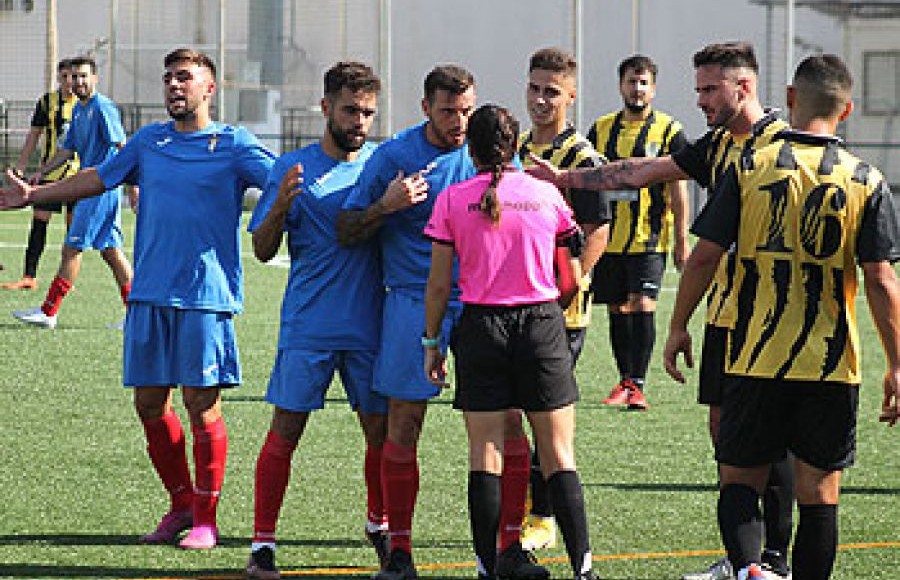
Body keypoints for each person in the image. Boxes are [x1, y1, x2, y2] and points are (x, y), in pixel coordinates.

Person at [528, 42, 794, 580]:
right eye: (697, 90)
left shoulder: (782, 146)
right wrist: (567, 181)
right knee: (726, 433)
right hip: (725, 315)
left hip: (775, 318)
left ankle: (773, 559)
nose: (699, 101)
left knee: (770, 438)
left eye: (709, 90)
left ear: (743, 86)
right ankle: (747, 559)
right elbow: (643, 171)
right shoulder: (718, 142)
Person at [0, 48, 275, 550]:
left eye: (185, 78)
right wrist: (36, 194)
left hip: (205, 297)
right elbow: (99, 176)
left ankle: (207, 520)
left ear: (209, 88)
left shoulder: (233, 144)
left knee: (201, 406)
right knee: (150, 403)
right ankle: (181, 504)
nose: (174, 85)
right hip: (149, 293)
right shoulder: (149, 141)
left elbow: (280, 181)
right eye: (168, 77)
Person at [663, 53, 900, 580]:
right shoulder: (866, 178)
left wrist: (679, 325)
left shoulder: (751, 166)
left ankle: (750, 568)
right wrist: (896, 363)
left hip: (754, 355)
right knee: (820, 495)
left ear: (790, 98)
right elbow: (882, 278)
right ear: (849, 110)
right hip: (830, 364)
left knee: (739, 481)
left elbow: (704, 255)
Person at [338, 66, 545, 580]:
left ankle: (509, 548)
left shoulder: (494, 153)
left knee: (508, 423)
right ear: (425, 107)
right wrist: (383, 207)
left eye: (467, 110)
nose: (459, 121)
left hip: (485, 303)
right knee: (403, 422)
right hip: (412, 301)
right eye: (449, 110)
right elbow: (346, 227)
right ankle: (400, 553)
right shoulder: (393, 156)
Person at [424, 103, 599, 580]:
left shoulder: (453, 199)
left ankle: (485, 567)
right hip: (542, 324)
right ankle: (584, 569)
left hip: (481, 328)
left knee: (485, 453)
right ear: (517, 145)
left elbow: (439, 285)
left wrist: (430, 342)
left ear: (471, 148)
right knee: (559, 453)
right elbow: (572, 277)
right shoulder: (547, 196)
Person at [244, 61, 387, 579]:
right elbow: (261, 250)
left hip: (370, 323)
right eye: (350, 110)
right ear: (326, 108)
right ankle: (262, 544)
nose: (360, 121)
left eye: (368, 113)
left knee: (381, 430)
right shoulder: (289, 168)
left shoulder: (381, 165)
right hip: (308, 322)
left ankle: (380, 524)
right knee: (286, 429)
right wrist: (279, 205)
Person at [516, 47, 610, 553]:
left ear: (571, 95)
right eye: (534, 87)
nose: (540, 99)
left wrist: (563, 288)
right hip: (516, 305)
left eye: (551, 91)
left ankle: (543, 514)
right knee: (513, 410)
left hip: (561, 313)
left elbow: (598, 233)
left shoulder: (583, 159)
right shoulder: (519, 149)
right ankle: (519, 511)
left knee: (544, 416)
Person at [585, 54, 690, 411]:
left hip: (650, 237)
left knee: (642, 303)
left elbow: (679, 188)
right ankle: (625, 380)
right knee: (617, 308)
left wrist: (681, 239)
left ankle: (639, 383)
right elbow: (588, 180)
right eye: (632, 81)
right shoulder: (600, 130)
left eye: (644, 82)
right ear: (621, 85)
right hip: (609, 239)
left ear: (654, 88)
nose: (637, 88)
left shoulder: (669, 130)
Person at [11, 55, 132, 329]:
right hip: (92, 187)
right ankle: (136, 314)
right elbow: (67, 150)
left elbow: (123, 147)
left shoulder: (102, 107)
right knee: (111, 252)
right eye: (73, 76)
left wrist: (133, 187)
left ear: (95, 78)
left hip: (100, 188)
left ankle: (49, 311)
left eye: (83, 76)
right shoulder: (79, 109)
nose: (77, 81)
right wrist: (42, 172)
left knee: (71, 248)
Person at [3, 58, 79, 291]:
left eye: (73, 76)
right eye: (64, 76)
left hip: (79, 175)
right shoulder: (47, 103)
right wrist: (22, 166)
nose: (69, 81)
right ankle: (29, 276)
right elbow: (34, 135)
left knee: (74, 232)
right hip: (50, 174)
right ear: (58, 77)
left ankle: (67, 280)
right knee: (39, 223)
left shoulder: (85, 104)